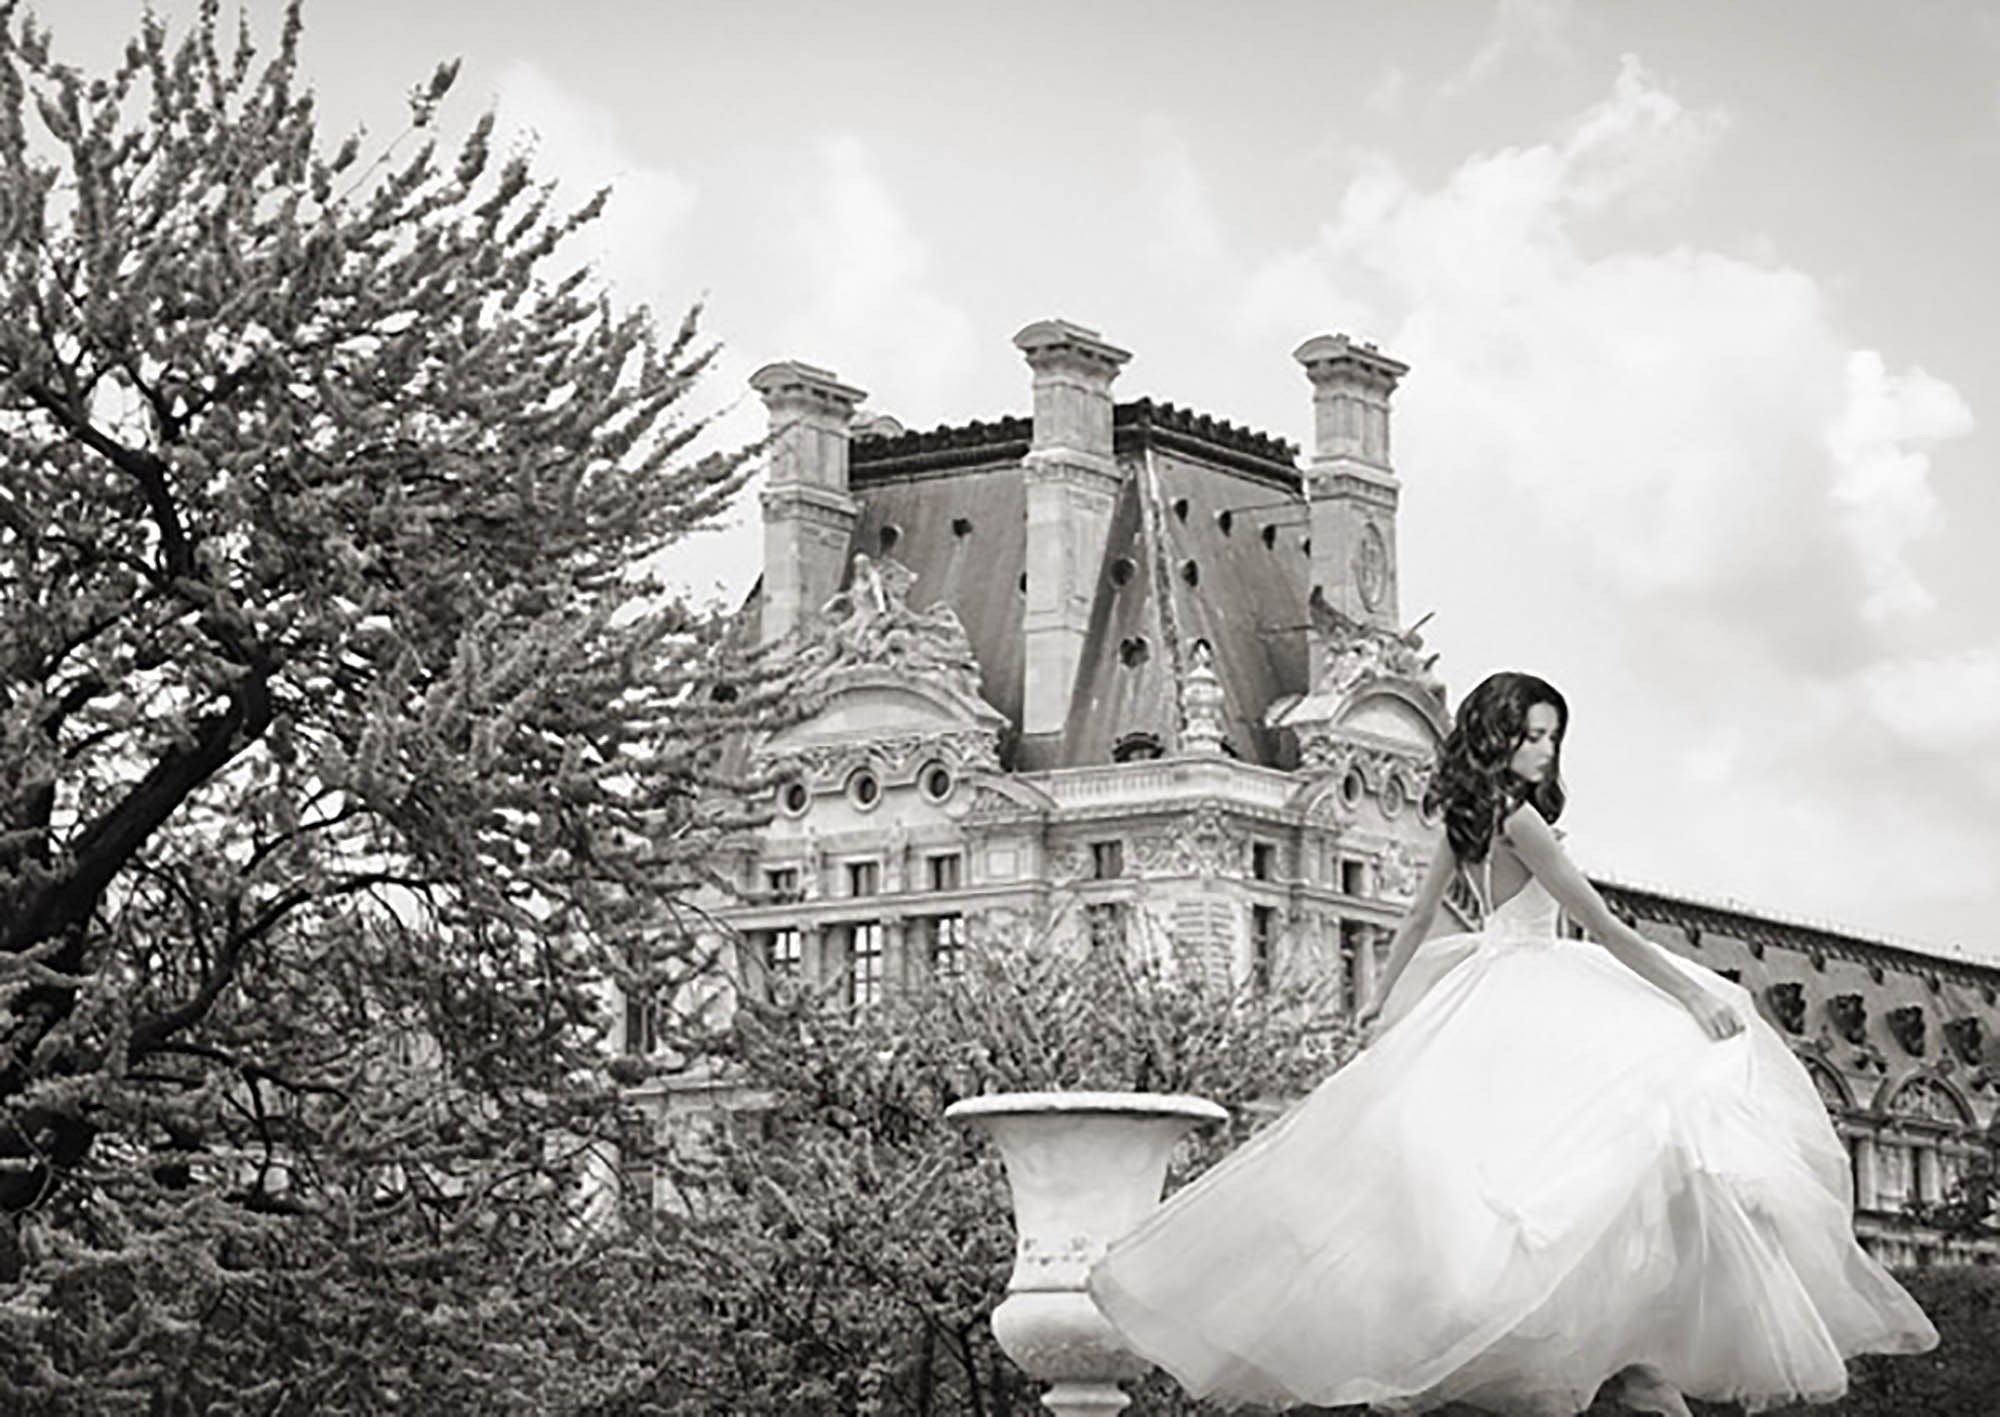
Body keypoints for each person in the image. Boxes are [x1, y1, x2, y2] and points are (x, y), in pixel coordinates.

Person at [1087, 671, 1938, 1417]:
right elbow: (1599, 923)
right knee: (1640, 1137)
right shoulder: (1519, 821)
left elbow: (1419, 919)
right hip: (1536, 979)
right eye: (1533, 735)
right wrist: (1687, 991)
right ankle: (1633, 1351)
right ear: (1501, 738)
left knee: (1515, 1181)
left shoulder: (1465, 817)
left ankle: (1595, 1354)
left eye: (1553, 736)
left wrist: (1375, 1015)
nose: (1545, 750)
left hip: (1485, 990)